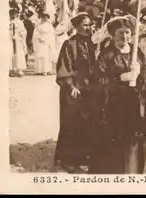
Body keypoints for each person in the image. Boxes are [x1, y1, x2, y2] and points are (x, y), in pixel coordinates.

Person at [89, 16, 146, 174]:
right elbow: (99, 81)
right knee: (117, 145)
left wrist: (140, 72)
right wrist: (120, 78)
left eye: (127, 32)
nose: (124, 37)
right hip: (115, 107)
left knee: (135, 142)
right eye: (120, 33)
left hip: (136, 104)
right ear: (113, 35)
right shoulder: (106, 56)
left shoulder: (136, 51)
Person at [54, 12, 97, 173]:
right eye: (85, 25)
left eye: (90, 25)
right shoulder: (69, 44)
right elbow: (64, 67)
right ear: (77, 26)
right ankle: (67, 159)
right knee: (71, 123)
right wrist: (71, 86)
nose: (88, 28)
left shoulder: (94, 43)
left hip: (90, 88)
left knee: (88, 122)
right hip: (73, 88)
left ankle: (84, 156)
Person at [9, 9, 28, 77]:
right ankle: (11, 69)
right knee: (11, 54)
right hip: (10, 40)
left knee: (18, 54)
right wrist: (10, 34)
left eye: (14, 14)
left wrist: (19, 36)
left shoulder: (19, 22)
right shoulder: (8, 22)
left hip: (18, 40)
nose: (13, 15)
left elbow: (23, 31)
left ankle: (19, 69)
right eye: (11, 14)